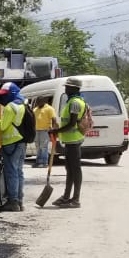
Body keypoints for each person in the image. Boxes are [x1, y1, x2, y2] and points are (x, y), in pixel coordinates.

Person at [0, 80, 29, 211]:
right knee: (18, 171)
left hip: (11, 144)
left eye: (5, 94)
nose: (3, 97)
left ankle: (12, 202)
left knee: (11, 172)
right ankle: (19, 200)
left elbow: (2, 126)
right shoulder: (23, 104)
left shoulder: (10, 107)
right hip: (22, 142)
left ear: (11, 93)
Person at [49, 78, 87, 208]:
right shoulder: (71, 101)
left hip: (74, 140)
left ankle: (75, 199)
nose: (66, 89)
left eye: (68, 87)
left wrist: (56, 130)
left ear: (75, 89)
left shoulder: (75, 103)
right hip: (69, 141)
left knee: (75, 170)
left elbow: (71, 124)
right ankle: (66, 197)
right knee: (70, 169)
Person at [33, 98, 56, 167]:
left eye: (38, 101)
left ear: (43, 101)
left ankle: (44, 162)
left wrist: (53, 129)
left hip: (45, 130)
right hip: (36, 130)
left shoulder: (49, 108)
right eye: (37, 102)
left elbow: (54, 119)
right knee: (37, 146)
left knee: (43, 146)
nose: (37, 103)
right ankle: (38, 162)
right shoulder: (35, 109)